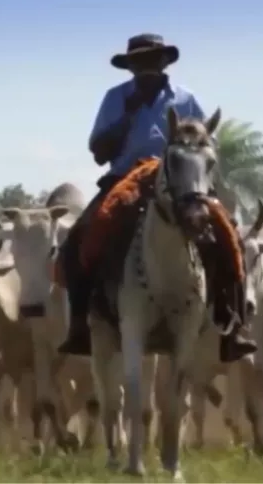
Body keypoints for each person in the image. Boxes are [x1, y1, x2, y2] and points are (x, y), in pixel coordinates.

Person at [57, 33, 208, 356]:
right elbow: (98, 151)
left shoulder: (186, 99)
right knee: (80, 237)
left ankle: (232, 321)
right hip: (124, 179)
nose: (146, 68)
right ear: (130, 68)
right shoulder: (115, 98)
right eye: (139, 62)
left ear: (165, 62)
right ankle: (81, 322)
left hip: (179, 182)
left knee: (226, 232)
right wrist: (128, 114)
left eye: (153, 60)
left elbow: (203, 147)